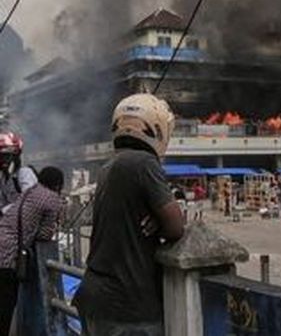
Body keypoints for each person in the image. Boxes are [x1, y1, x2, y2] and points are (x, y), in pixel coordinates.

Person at [73, 94, 185, 335]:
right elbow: (176, 227)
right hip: (128, 305)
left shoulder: (108, 167)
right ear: (157, 128)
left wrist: (156, 218)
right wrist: (163, 220)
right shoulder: (144, 163)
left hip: (94, 295)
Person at [0, 166, 64, 336]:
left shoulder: (29, 192)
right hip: (8, 257)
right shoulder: (53, 199)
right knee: (5, 305)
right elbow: (45, 234)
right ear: (58, 185)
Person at [0, 133, 37, 216]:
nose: (3, 160)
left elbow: (29, 201)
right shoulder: (4, 178)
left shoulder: (24, 173)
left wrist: (3, 211)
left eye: (6, 156)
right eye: (1, 157)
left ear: (15, 156)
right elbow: (3, 202)